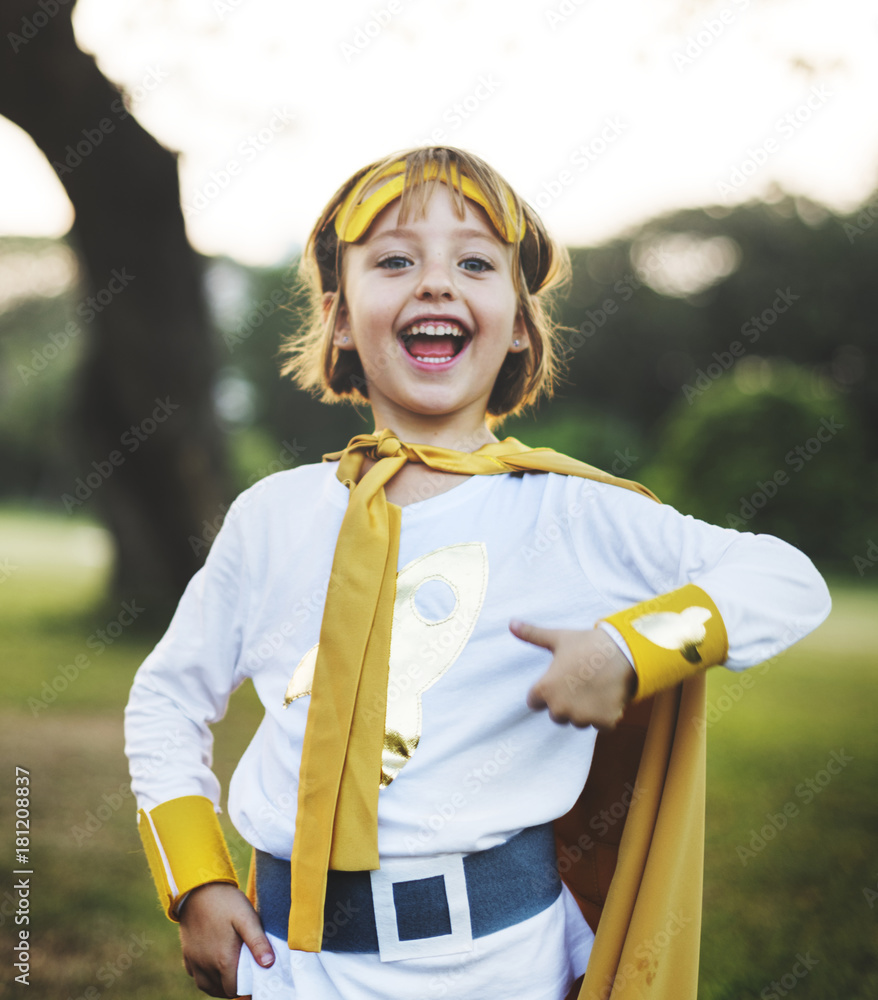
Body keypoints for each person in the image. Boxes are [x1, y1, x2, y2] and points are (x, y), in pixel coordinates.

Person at [124, 146, 831, 1000]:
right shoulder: (273, 516)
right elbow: (168, 698)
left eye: (474, 262)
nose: (434, 283)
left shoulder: (570, 512)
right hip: (291, 971)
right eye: (393, 260)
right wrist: (196, 878)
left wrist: (629, 648)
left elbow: (786, 578)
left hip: (503, 968)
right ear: (340, 317)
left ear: (521, 324)